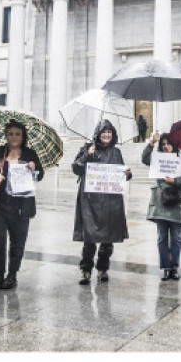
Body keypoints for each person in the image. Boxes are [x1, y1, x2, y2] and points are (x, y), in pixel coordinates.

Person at [0, 119, 45, 291]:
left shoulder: (30, 154)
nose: (14, 137)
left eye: (18, 134)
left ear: (23, 136)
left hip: (21, 205)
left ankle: (12, 275)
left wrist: (34, 167)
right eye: (11, 133)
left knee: (18, 242)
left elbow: (40, 174)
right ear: (6, 135)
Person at [72, 119, 132, 285]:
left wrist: (127, 173)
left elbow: (121, 174)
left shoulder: (116, 152)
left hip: (111, 201)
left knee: (108, 239)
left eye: (109, 132)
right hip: (90, 201)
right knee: (89, 238)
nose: (106, 135)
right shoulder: (87, 148)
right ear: (98, 134)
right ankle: (85, 269)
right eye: (103, 132)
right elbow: (76, 168)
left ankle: (103, 268)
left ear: (113, 135)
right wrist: (87, 155)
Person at [141, 130, 181, 280]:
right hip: (160, 201)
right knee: (162, 237)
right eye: (163, 144)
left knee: (176, 237)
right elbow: (145, 159)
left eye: (168, 143)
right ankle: (165, 267)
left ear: (174, 144)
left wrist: (176, 181)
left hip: (176, 201)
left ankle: (175, 267)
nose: (166, 146)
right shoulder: (157, 158)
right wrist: (151, 142)